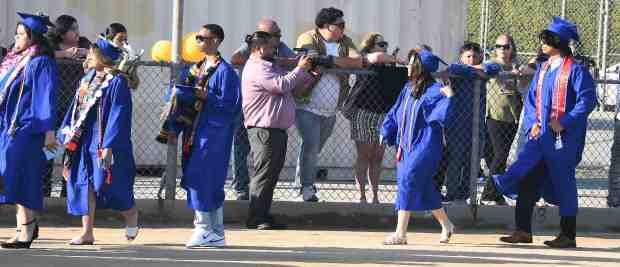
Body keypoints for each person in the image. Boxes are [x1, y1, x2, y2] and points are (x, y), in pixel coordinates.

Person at [493, 17, 597, 248]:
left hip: (563, 138)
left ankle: (568, 235)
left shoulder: (576, 71)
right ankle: (522, 230)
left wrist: (565, 121)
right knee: (527, 177)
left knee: (564, 183)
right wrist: (533, 124)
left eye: (545, 40)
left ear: (557, 42)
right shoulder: (543, 68)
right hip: (540, 136)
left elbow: (588, 101)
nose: (541, 44)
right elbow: (532, 102)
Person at [294, 7, 394, 201]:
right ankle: (305, 189)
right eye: (340, 25)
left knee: (313, 150)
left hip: (331, 109)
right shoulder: (307, 37)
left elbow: (358, 61)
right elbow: (313, 59)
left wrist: (330, 62)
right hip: (307, 105)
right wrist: (338, 62)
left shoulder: (344, 41)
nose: (343, 28)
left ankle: (303, 185)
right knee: (310, 148)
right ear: (327, 26)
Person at [58, 37, 139, 245]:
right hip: (84, 139)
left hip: (104, 140)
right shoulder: (87, 79)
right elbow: (75, 108)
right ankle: (87, 232)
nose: (89, 56)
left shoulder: (117, 83)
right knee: (84, 183)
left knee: (107, 183)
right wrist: (66, 131)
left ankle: (130, 213)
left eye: (93, 53)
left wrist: (109, 145)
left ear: (104, 57)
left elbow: (118, 115)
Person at [380, 49, 455, 245]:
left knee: (407, 180)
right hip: (405, 146)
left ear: (421, 67)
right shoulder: (407, 88)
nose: (408, 65)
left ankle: (400, 233)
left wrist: (449, 97)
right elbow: (395, 112)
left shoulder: (434, 90)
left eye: (412, 62)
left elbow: (445, 114)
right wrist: (386, 130)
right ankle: (447, 225)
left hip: (425, 145)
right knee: (424, 187)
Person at [177, 24, 241, 248]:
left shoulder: (225, 72)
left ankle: (204, 228)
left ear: (216, 40)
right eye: (198, 37)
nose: (198, 41)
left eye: (203, 38)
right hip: (195, 131)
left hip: (213, 134)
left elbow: (231, 106)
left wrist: (207, 97)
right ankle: (216, 232)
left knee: (203, 178)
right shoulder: (199, 67)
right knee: (204, 179)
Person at [243, 31, 314, 230]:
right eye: (271, 47)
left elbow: (291, 84)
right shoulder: (258, 68)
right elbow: (281, 86)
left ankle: (262, 214)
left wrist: (306, 72)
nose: (275, 50)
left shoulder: (270, 66)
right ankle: (256, 218)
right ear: (259, 48)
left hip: (275, 131)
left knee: (270, 175)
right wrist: (299, 69)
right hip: (264, 130)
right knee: (264, 175)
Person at [0, 12, 58, 249]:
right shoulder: (18, 61)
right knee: (13, 176)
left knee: (23, 176)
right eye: (16, 33)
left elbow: (46, 98)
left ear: (33, 37)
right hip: (11, 127)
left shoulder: (40, 62)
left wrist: (49, 131)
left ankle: (27, 229)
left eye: (21, 34)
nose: (16, 38)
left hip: (28, 128)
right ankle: (24, 228)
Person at [229, 18, 296, 200]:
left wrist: (279, 60)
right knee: (241, 148)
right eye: (275, 35)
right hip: (249, 105)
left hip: (270, 110)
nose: (278, 39)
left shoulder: (280, 47)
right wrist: (275, 60)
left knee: (268, 162)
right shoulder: (254, 46)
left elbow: (294, 62)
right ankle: (241, 188)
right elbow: (235, 58)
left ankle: (259, 202)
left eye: (279, 35)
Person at [346, 32, 402, 204]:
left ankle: (375, 196)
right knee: (364, 155)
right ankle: (361, 195)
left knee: (377, 157)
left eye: (386, 44)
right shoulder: (365, 59)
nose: (384, 47)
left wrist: (395, 61)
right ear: (370, 47)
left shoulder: (390, 67)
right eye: (381, 44)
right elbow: (376, 57)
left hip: (383, 115)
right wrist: (392, 59)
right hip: (363, 112)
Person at [442, 42, 500, 203]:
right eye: (468, 56)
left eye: (475, 57)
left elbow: (494, 68)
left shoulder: (484, 68)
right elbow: (453, 69)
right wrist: (477, 72)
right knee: (456, 159)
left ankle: (466, 194)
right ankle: (452, 193)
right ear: (461, 57)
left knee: (472, 161)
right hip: (457, 124)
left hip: (476, 125)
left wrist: (479, 71)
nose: (472, 59)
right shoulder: (457, 69)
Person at [480, 34, 524, 205]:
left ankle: (497, 194)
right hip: (495, 115)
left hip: (512, 116)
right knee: (498, 155)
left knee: (500, 158)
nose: (502, 50)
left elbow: (523, 83)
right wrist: (509, 73)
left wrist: (518, 74)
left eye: (506, 46)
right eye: (499, 46)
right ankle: (488, 194)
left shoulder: (516, 66)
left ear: (512, 48)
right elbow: (489, 71)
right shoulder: (491, 64)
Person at [103, 22, 140, 90]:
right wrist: (122, 72)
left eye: (125, 40)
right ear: (110, 39)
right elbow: (110, 80)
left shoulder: (125, 54)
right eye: (120, 39)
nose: (123, 43)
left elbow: (134, 86)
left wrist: (134, 68)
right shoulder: (103, 52)